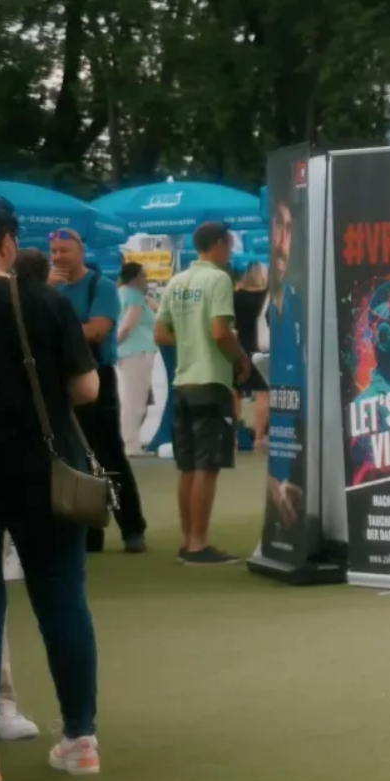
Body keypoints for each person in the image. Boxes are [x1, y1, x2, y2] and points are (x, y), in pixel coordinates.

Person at [0, 197, 107, 781]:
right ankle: (79, 738)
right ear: (6, 244)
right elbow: (86, 388)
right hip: (45, 473)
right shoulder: (42, 300)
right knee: (61, 601)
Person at [155, 222, 252, 566]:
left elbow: (160, 333)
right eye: (229, 244)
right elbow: (219, 332)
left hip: (183, 382)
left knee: (187, 466)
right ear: (220, 243)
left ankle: (187, 540)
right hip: (211, 382)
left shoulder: (178, 280)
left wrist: (189, 339)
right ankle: (198, 544)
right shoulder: (218, 279)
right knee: (206, 467)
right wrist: (241, 357)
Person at [48, 232, 146, 554]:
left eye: (65, 250)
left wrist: (57, 331)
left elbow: (97, 330)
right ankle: (90, 534)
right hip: (61, 379)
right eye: (54, 251)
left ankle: (132, 528)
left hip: (96, 376)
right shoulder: (49, 288)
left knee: (108, 455)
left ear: (80, 251)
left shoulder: (99, 286)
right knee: (72, 458)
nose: (58, 256)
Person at [112, 261, 157, 449]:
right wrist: (114, 344)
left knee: (131, 398)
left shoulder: (123, 294)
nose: (146, 279)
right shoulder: (135, 297)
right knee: (135, 402)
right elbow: (128, 325)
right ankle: (130, 444)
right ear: (137, 277)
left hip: (130, 352)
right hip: (138, 352)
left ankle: (129, 441)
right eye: (144, 275)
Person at [233, 261, 269, 449]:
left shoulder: (236, 297)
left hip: (239, 349)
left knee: (235, 393)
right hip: (263, 349)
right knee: (263, 394)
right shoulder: (268, 296)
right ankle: (259, 438)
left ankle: (233, 438)